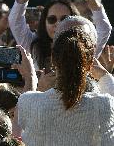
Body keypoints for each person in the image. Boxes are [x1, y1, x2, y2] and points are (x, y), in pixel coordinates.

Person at [16, 16, 114, 145]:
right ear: (91, 62)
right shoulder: (103, 104)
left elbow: (16, 131)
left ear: (53, 59)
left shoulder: (28, 101)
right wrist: (105, 76)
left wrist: (31, 79)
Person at [8, 0, 111, 71]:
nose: (58, 24)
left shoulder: (84, 48)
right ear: (44, 22)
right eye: (52, 19)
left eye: (64, 19)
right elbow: (15, 21)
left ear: (76, 22)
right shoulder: (34, 46)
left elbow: (104, 29)